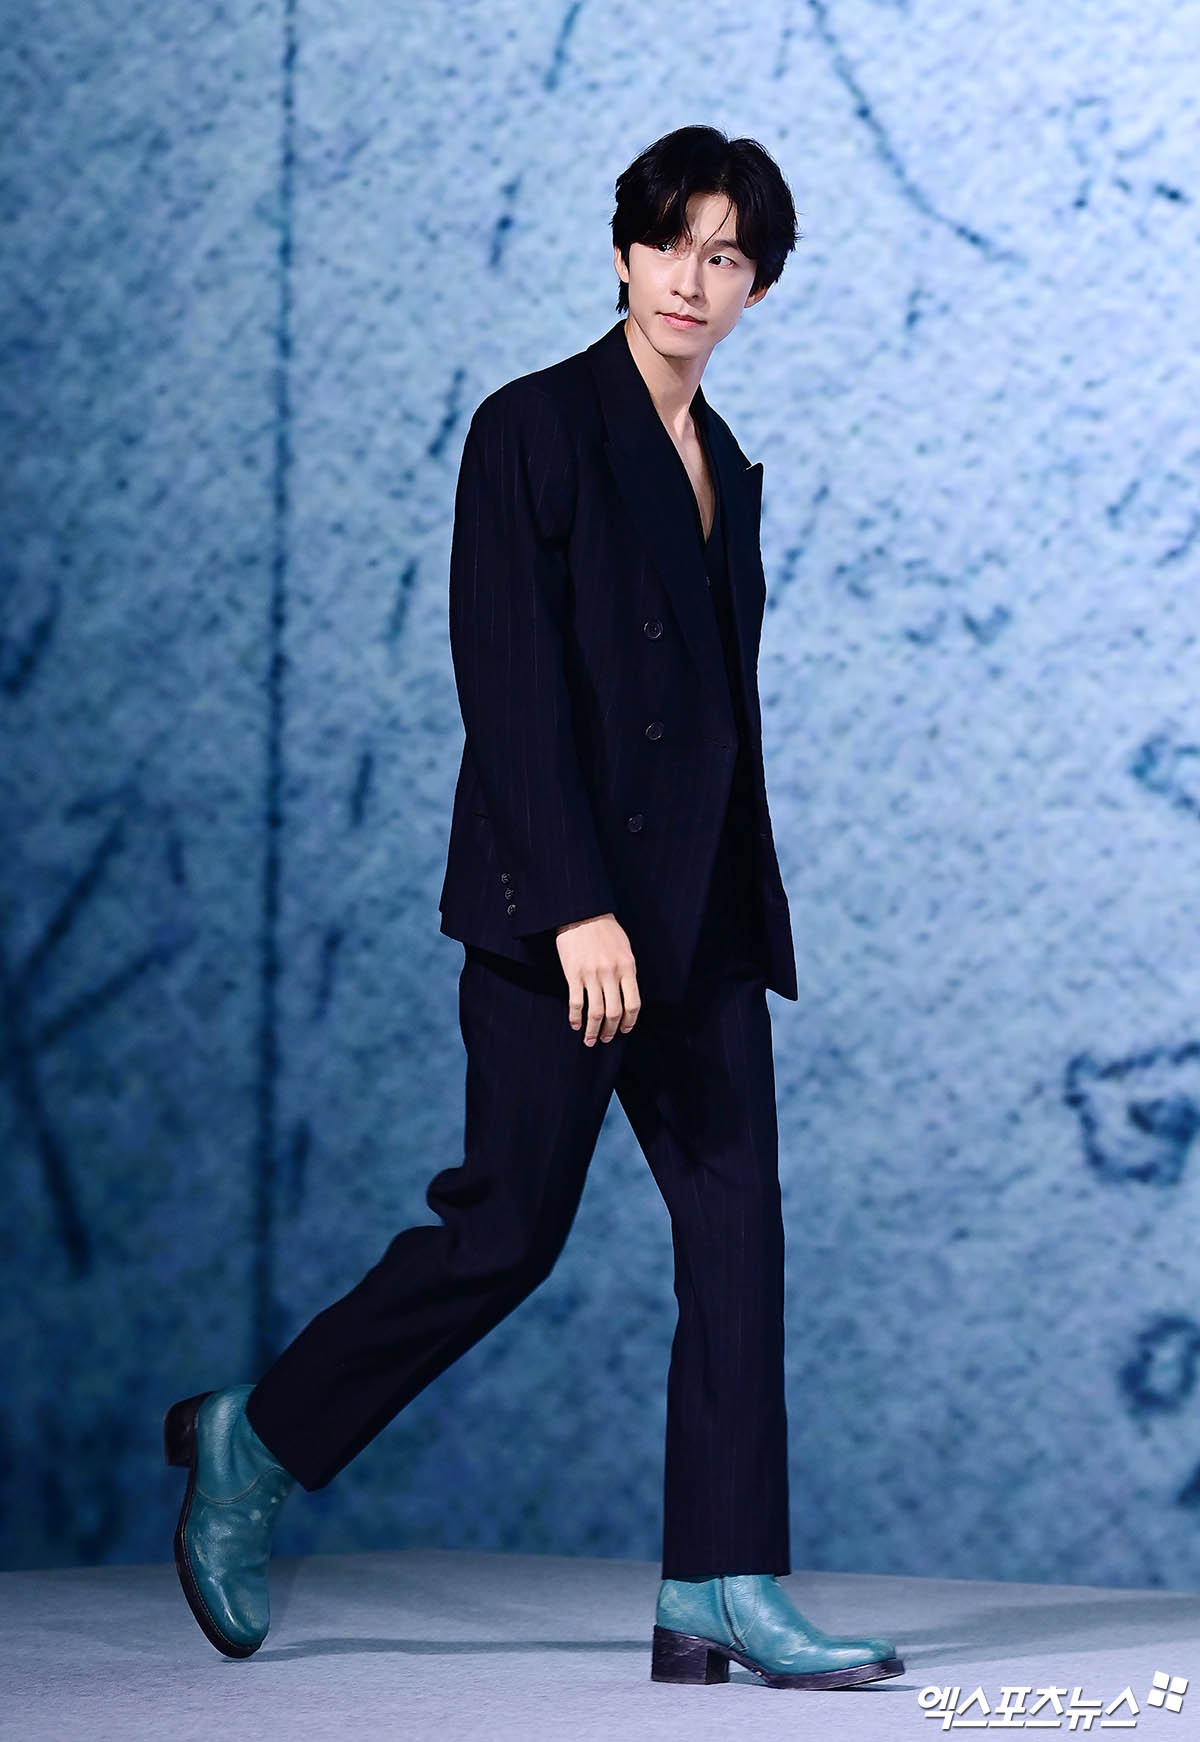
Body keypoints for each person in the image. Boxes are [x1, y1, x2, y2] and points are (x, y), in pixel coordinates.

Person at [165, 124, 903, 1691]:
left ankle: (719, 1581)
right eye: (670, 242)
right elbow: (505, 682)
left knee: (740, 1236)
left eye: (726, 255)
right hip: (562, 918)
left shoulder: (729, 467)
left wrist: (733, 910)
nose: (691, 278)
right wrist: (577, 908)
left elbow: (716, 722)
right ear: (622, 251)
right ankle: (260, 1438)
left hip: (700, 922)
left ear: (757, 286)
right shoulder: (532, 428)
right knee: (502, 1233)